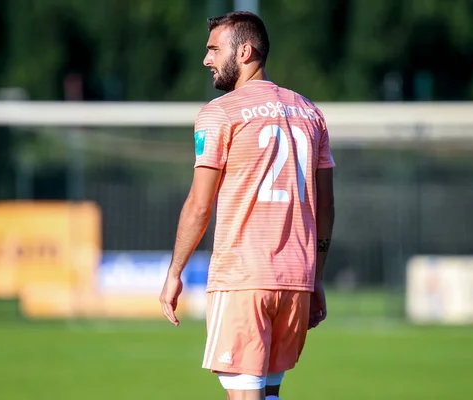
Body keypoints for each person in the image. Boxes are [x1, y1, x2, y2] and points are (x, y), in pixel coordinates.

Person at [159, 11, 335, 400]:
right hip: (297, 280)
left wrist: (175, 271)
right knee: (268, 394)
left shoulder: (219, 113)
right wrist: (317, 275)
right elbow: (325, 207)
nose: (206, 60)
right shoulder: (311, 114)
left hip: (243, 277)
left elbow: (199, 206)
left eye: (214, 50)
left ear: (245, 51)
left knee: (244, 395)